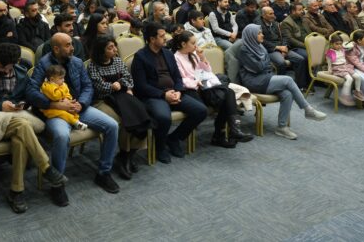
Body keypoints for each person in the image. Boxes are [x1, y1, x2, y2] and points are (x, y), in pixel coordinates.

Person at [0, 43, 68, 213]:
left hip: (16, 120)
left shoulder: (22, 73)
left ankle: (16, 191)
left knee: (20, 140)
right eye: (1, 66)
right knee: (23, 125)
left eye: (8, 67)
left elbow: (30, 97)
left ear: (16, 62)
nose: (4, 70)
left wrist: (22, 104)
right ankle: (45, 167)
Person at [27, 33, 121, 206]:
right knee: (62, 135)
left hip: (78, 107)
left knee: (112, 125)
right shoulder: (43, 64)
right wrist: (55, 104)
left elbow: (87, 86)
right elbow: (31, 92)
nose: (72, 48)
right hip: (56, 111)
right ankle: (57, 184)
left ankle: (104, 173)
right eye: (68, 45)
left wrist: (82, 104)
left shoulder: (77, 62)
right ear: (56, 49)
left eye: (72, 44)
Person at [130, 22, 207, 163]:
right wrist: (163, 95)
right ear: (152, 39)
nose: (165, 38)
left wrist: (178, 91)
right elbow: (141, 86)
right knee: (164, 117)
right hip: (154, 96)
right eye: (161, 36)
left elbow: (177, 77)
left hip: (173, 92)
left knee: (201, 110)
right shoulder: (140, 57)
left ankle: (174, 138)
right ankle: (159, 147)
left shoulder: (168, 53)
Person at [238, 24, 326, 140]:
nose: (262, 35)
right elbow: (259, 67)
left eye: (261, 32)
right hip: (253, 81)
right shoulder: (244, 50)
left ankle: (282, 127)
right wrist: (264, 62)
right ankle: (308, 109)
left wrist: (264, 63)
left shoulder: (260, 47)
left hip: (264, 77)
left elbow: (267, 65)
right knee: (288, 79)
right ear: (251, 35)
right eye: (259, 33)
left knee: (287, 94)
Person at [87, 35, 152, 180]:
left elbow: (128, 78)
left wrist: (121, 85)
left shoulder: (117, 60)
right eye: (110, 48)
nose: (115, 49)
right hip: (102, 100)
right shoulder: (93, 65)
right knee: (124, 120)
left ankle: (126, 156)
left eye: (114, 46)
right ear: (101, 51)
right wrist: (113, 86)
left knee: (141, 115)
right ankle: (124, 155)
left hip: (122, 96)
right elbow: (98, 87)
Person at [172, 31, 252, 148]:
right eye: (193, 43)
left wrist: (202, 57)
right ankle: (224, 134)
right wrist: (196, 82)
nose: (196, 46)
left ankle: (231, 131)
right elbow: (180, 80)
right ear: (183, 44)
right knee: (227, 96)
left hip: (204, 87)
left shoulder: (193, 54)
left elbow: (208, 71)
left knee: (228, 93)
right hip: (192, 90)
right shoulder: (176, 58)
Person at [258, 6, 309, 89]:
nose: (273, 15)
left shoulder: (275, 23)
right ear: (263, 15)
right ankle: (280, 85)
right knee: (281, 62)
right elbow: (262, 41)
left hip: (282, 47)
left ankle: (301, 85)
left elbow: (285, 37)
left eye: (273, 13)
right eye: (270, 14)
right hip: (271, 49)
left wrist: (284, 47)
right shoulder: (258, 25)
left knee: (300, 59)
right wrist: (277, 47)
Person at [39, 65, 89, 130]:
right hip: (50, 110)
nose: (63, 80)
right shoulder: (47, 86)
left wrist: (67, 99)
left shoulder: (62, 84)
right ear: (52, 79)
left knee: (73, 110)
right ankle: (76, 123)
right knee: (63, 114)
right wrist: (63, 91)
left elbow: (68, 93)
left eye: (63, 77)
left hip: (62, 104)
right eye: (61, 78)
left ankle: (76, 121)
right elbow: (55, 96)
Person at [325, 34, 364, 106]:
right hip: (337, 68)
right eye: (337, 44)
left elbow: (349, 46)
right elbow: (329, 62)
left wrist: (352, 43)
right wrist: (329, 69)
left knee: (358, 77)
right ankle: (344, 95)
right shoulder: (330, 52)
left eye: (340, 44)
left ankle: (357, 91)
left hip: (345, 66)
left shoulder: (342, 50)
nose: (339, 46)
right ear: (332, 43)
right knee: (349, 79)